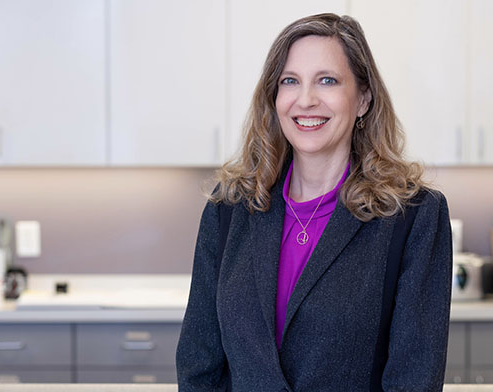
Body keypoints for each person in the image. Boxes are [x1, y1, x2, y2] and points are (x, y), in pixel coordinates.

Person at [176, 13, 452, 392]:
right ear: (274, 98)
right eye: (290, 81)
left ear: (363, 100)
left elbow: (414, 379)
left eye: (327, 80)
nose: (306, 99)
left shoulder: (413, 216)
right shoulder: (228, 210)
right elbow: (199, 366)